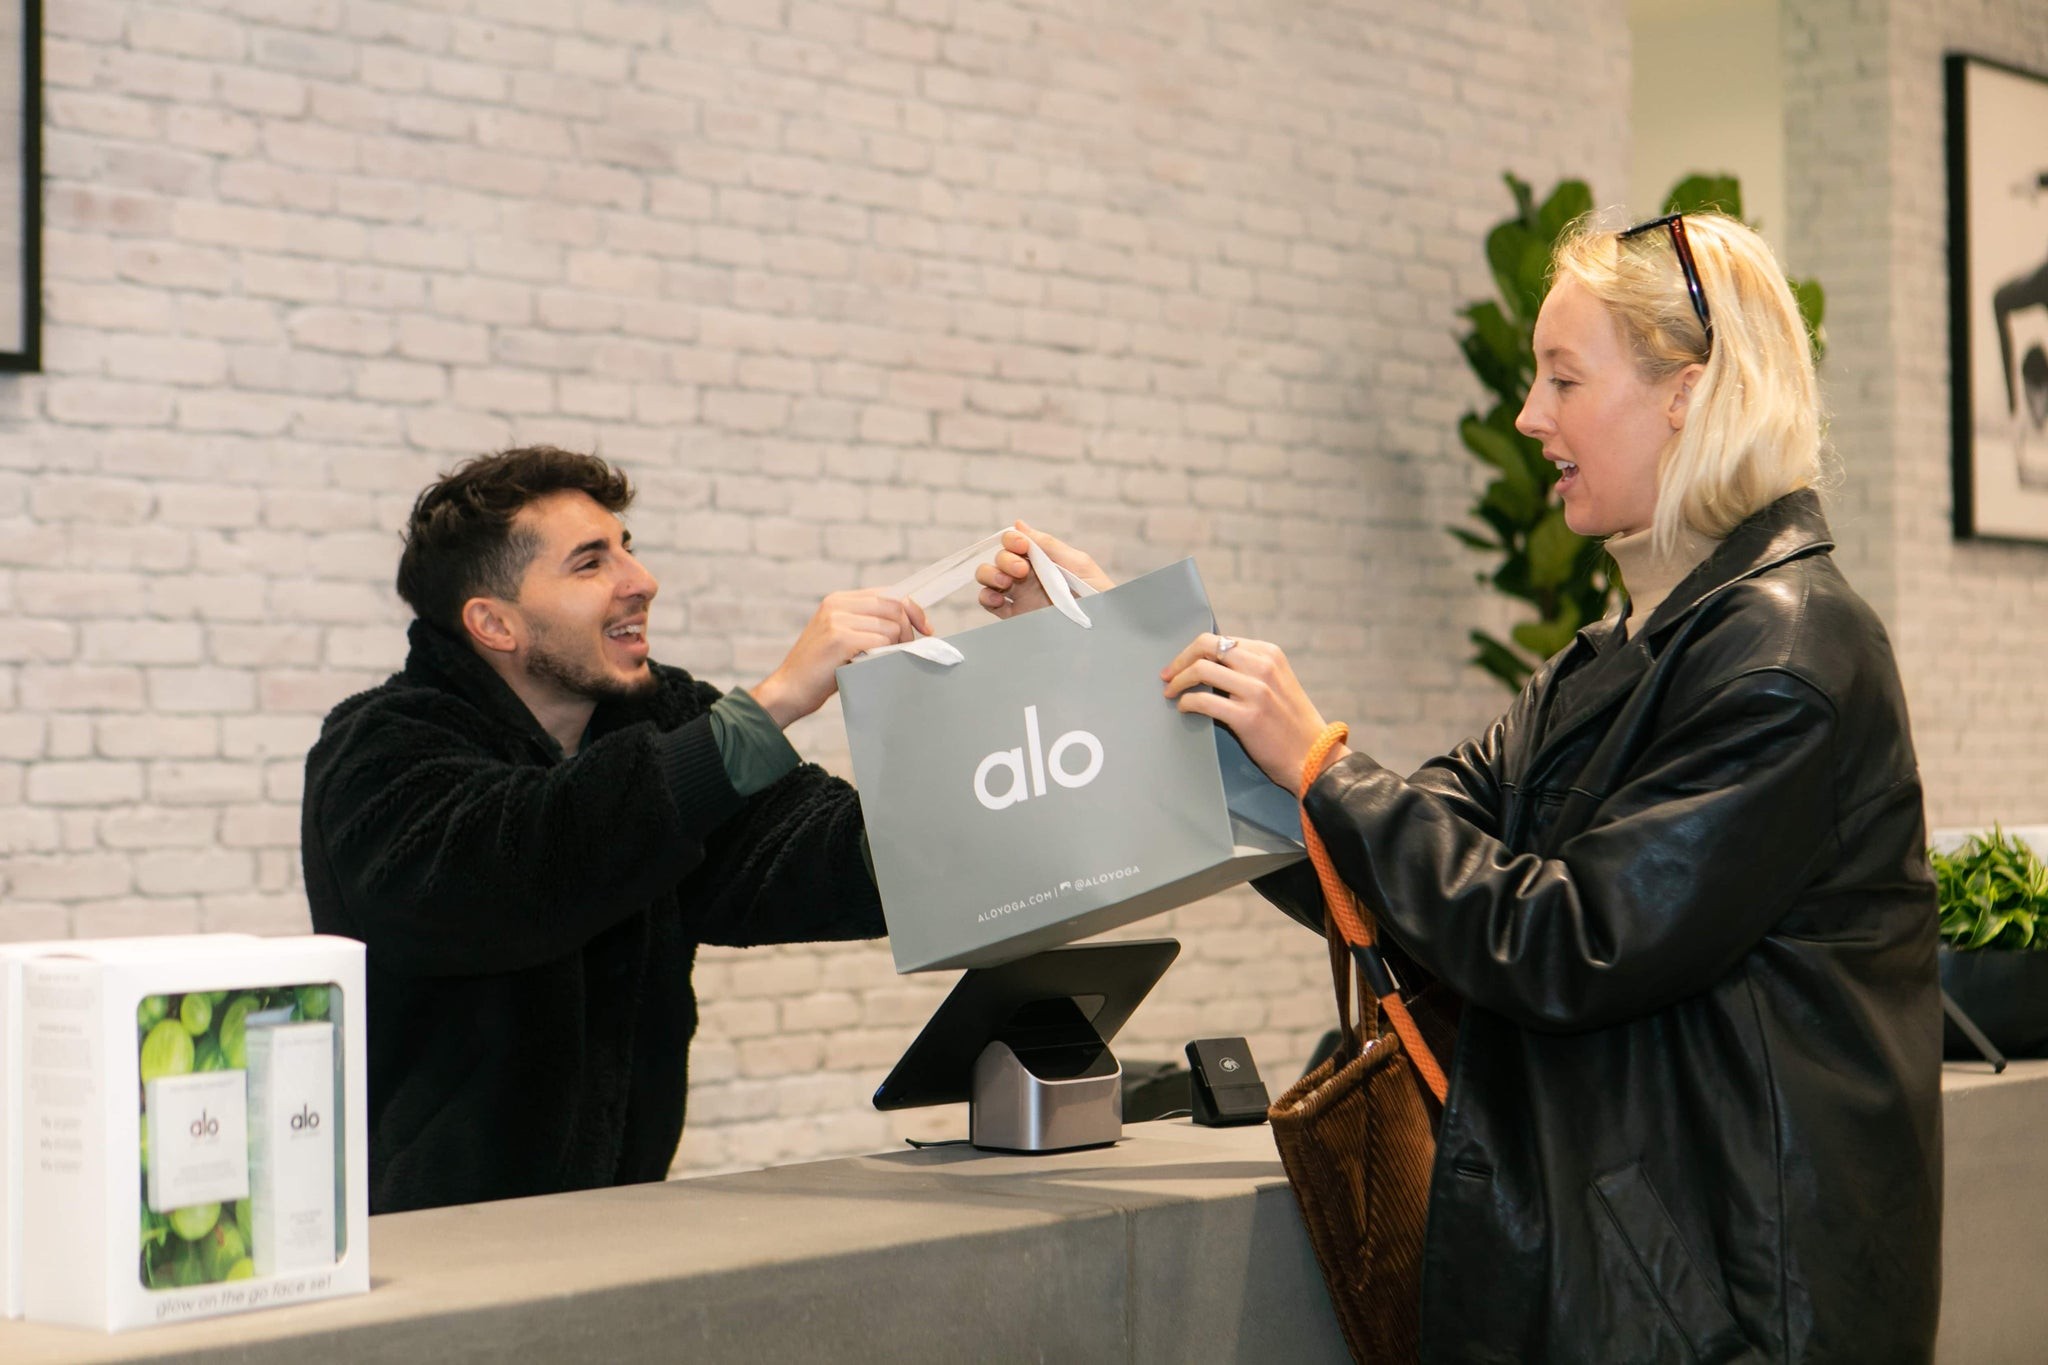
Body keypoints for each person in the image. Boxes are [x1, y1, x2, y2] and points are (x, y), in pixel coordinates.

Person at [982, 214, 1943, 1362]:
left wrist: (1320, 766)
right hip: (1639, 1291)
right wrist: (1129, 671)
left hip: (1729, 1311)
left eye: (1562, 378)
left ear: (1685, 394)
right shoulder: (1623, 650)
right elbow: (1408, 866)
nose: (1530, 416)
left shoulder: (1787, 661)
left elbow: (1563, 939)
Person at [302, 446, 928, 1213]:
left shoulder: (659, 720)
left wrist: (1034, 720)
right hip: (424, 1253)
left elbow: (824, 857)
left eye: (626, 548)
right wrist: (773, 705)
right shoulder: (380, 753)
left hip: (616, 1232)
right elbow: (533, 862)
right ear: (494, 622)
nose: (641, 581)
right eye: (590, 562)